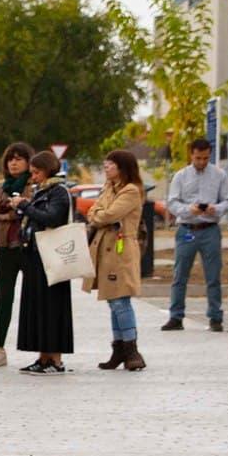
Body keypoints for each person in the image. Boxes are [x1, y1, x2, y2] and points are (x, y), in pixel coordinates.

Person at [13, 148, 75, 373]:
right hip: (35, 256)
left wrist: (24, 206)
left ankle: (55, 359)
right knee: (39, 307)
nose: (33, 177)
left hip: (52, 257)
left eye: (37, 172)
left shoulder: (59, 192)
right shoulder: (42, 191)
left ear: (48, 170)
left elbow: (52, 218)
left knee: (53, 307)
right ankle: (43, 357)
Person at [160, 137, 228, 332]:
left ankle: (215, 317)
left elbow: (227, 200)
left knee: (213, 276)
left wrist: (215, 209)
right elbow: (172, 202)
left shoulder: (220, 175)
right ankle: (176, 316)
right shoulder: (180, 176)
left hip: (210, 229)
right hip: (187, 229)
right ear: (191, 155)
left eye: (206, 158)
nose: (202, 162)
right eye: (198, 158)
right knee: (180, 274)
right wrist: (189, 210)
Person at [87, 149, 148, 371]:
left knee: (121, 300)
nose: (106, 167)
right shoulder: (108, 188)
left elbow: (110, 214)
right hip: (105, 249)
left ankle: (131, 349)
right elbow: (93, 212)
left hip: (121, 250)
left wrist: (98, 216)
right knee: (113, 300)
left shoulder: (131, 190)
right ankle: (118, 348)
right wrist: (98, 216)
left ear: (122, 167)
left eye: (111, 164)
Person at [0, 142, 34, 366]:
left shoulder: (33, 185)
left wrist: (7, 210)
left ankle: (40, 348)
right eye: (10, 159)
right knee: (4, 300)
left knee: (34, 298)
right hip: (5, 247)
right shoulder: (1, 186)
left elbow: (31, 209)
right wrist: (11, 207)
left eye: (19, 159)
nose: (13, 163)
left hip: (28, 247)